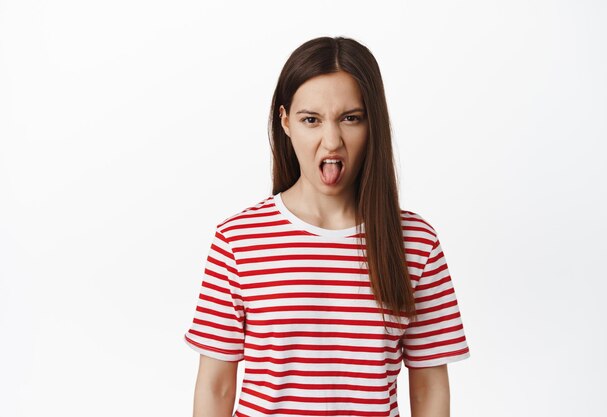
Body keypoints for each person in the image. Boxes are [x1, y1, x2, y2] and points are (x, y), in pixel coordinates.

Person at [183, 36, 471, 417]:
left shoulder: (415, 243)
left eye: (350, 118)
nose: (331, 141)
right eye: (311, 120)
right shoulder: (238, 240)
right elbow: (216, 386)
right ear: (285, 122)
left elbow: (430, 386)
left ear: (373, 123)